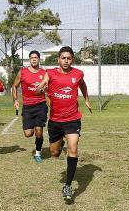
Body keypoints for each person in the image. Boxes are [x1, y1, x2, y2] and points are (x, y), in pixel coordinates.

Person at [37, 46, 92, 201]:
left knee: (73, 149)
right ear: (58, 59)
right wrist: (40, 88)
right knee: (54, 153)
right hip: (55, 120)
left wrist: (86, 99)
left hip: (73, 119)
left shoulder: (78, 74)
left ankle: (68, 185)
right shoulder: (50, 73)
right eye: (63, 58)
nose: (66, 61)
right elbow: (38, 90)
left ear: (72, 59)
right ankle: (59, 144)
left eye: (69, 58)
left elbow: (82, 85)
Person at [13, 50, 49, 162]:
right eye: (32, 57)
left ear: (39, 59)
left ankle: (38, 153)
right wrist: (15, 100)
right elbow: (14, 86)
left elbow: (49, 88)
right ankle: (32, 126)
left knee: (39, 130)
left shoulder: (44, 73)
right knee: (28, 134)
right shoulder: (22, 72)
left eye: (36, 57)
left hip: (41, 105)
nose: (34, 59)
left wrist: (45, 90)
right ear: (29, 59)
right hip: (28, 107)